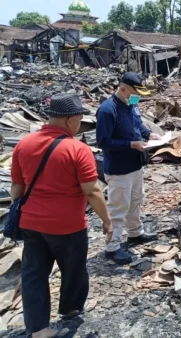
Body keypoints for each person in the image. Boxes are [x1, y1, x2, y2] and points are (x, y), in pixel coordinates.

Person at [11, 94, 112, 338]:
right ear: (70, 121)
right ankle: (70, 309)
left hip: (31, 224)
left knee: (34, 273)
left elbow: (17, 187)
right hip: (68, 226)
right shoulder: (77, 149)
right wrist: (108, 222)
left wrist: (21, 211)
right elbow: (93, 191)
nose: (79, 126)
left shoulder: (23, 144)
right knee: (74, 269)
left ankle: (38, 329)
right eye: (79, 120)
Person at [96, 72, 159, 265]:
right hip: (119, 168)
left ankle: (135, 233)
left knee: (135, 201)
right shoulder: (107, 110)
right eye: (135, 92)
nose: (137, 96)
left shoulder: (131, 104)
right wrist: (131, 145)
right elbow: (103, 141)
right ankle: (112, 248)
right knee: (118, 207)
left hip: (135, 164)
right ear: (123, 88)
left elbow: (137, 125)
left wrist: (149, 135)